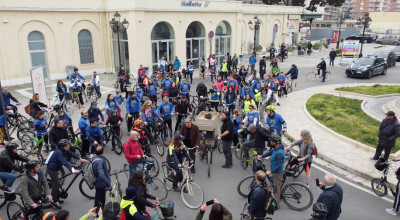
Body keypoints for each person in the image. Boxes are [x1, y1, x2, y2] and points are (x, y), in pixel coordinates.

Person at [46, 139, 86, 209]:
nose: (68, 147)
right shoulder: (59, 152)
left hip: (57, 167)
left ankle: (57, 197)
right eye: (67, 146)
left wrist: (80, 158)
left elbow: (71, 153)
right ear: (62, 147)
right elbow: (65, 162)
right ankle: (54, 201)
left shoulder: (64, 149)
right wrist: (73, 170)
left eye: (68, 145)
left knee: (57, 183)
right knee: (55, 185)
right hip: (52, 169)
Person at [257, 134, 285, 208]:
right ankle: (276, 196)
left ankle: (276, 205)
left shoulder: (280, 153)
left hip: (277, 173)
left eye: (272, 142)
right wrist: (261, 156)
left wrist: (271, 172)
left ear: (276, 142)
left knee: (276, 189)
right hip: (275, 171)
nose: (271, 143)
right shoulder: (276, 149)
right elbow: (270, 152)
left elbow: (279, 165)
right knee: (272, 185)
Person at [92, 145, 111, 209]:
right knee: (101, 198)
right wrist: (108, 183)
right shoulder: (99, 161)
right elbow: (101, 175)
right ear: (102, 152)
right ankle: (99, 212)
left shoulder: (94, 157)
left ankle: (96, 209)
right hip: (100, 183)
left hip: (97, 182)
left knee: (98, 196)